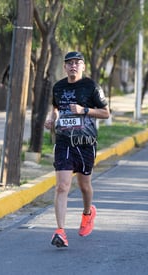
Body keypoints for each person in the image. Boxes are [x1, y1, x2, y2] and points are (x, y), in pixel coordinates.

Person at [44, 51, 110, 248]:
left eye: (77, 63)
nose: (73, 66)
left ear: (83, 66)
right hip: (64, 141)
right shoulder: (58, 87)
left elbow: (106, 113)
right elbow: (56, 108)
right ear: (64, 67)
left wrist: (84, 110)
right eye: (69, 63)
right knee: (62, 186)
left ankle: (88, 213)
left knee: (84, 186)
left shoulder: (91, 87)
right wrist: (51, 118)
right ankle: (60, 231)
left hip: (85, 142)